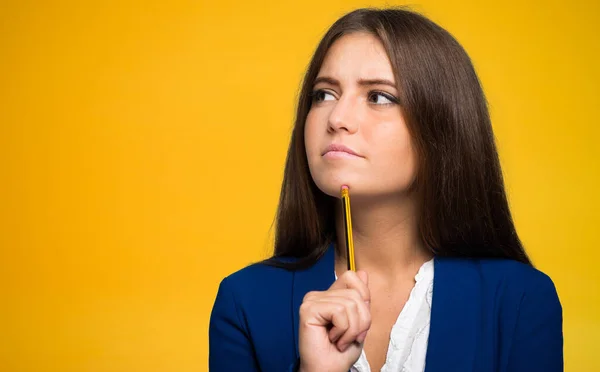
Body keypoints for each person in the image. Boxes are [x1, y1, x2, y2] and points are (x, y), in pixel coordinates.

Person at [208, 7, 563, 372]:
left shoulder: (521, 300)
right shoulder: (244, 302)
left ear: (443, 127)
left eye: (378, 96)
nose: (337, 119)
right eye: (323, 94)